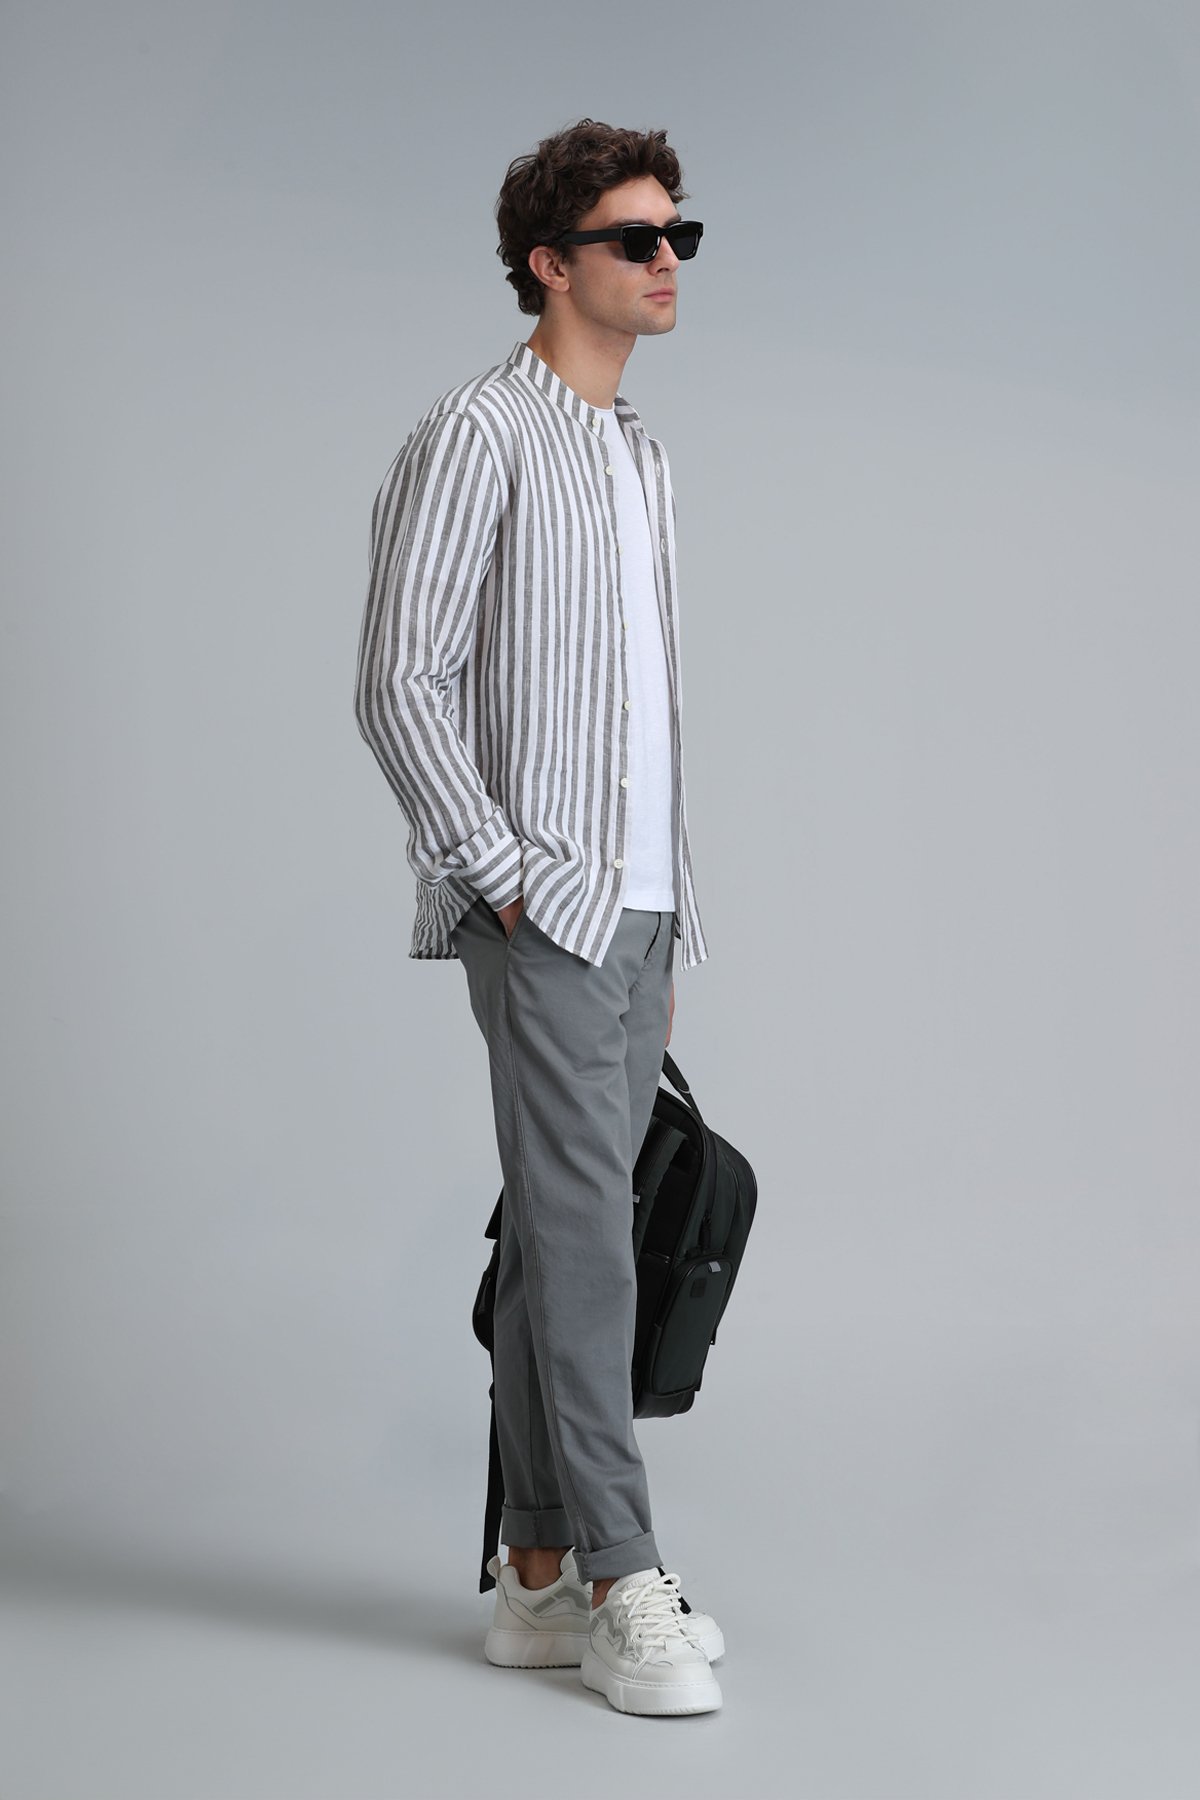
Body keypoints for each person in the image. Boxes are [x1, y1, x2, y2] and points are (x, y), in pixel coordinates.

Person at [353, 118, 723, 1716]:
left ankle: (533, 1576)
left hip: (641, 909)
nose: (667, 260)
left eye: (679, 235)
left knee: (571, 1236)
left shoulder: (639, 456)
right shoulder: (476, 434)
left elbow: (630, 708)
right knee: (585, 1243)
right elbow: (397, 677)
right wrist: (498, 871)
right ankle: (629, 1579)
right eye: (637, 238)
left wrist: (655, 904)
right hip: (546, 907)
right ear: (548, 262)